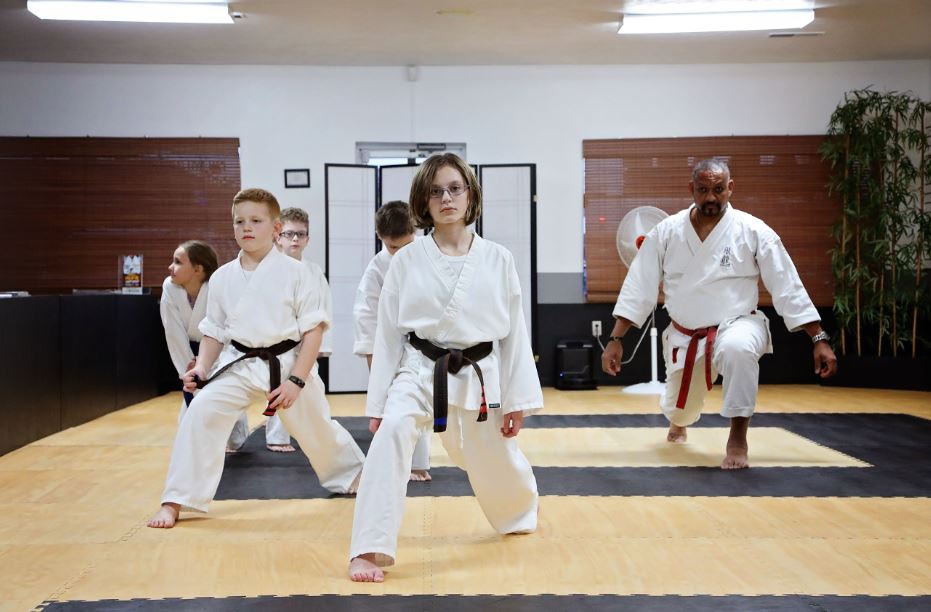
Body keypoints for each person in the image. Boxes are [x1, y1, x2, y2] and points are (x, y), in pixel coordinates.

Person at [348, 154, 541, 582]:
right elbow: (387, 336)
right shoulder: (406, 260)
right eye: (435, 191)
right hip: (419, 370)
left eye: (455, 188)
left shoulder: (498, 258)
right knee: (393, 434)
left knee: (495, 458)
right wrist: (378, 402)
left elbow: (515, 334)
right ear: (424, 201)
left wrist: (518, 400)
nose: (446, 198)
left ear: (470, 194)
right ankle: (369, 548)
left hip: (480, 373)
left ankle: (519, 510)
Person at [147, 188, 365, 529]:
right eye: (239, 221)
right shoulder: (222, 278)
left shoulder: (298, 273)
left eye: (256, 221)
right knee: (200, 412)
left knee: (315, 426)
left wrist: (297, 381)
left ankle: (353, 474)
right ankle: (177, 499)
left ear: (276, 228)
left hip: (288, 362)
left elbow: (313, 331)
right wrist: (202, 367)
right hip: (240, 362)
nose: (246, 227)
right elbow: (214, 331)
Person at [601, 158, 837, 469]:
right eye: (703, 190)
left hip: (739, 323)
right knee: (678, 408)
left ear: (730, 188)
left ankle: (738, 437)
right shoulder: (667, 231)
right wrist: (617, 338)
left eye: (718, 189)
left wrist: (818, 338)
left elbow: (786, 284)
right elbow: (639, 286)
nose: (711, 197)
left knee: (738, 349)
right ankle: (679, 420)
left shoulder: (753, 230)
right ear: (691, 189)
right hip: (686, 334)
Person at [352, 201, 432, 482]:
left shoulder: (431, 252)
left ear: (416, 231)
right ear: (379, 236)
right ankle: (413, 464)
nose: (399, 254)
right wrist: (379, 375)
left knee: (430, 405)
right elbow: (367, 323)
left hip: (434, 342)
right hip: (392, 345)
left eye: (405, 246)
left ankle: (420, 462)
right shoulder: (376, 272)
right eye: (393, 248)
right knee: (398, 404)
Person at [159, 240, 250, 451]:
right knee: (189, 417)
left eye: (178, 262)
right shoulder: (169, 288)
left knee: (228, 406)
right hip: (192, 355)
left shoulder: (219, 287)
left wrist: (207, 363)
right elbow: (173, 332)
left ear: (198, 269)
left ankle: (238, 433)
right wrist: (190, 373)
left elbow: (226, 331)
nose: (170, 267)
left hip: (225, 349)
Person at [266, 207, 334, 453]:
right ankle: (277, 437)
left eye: (301, 234)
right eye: (289, 233)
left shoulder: (314, 271)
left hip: (307, 342)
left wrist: (322, 348)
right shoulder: (268, 269)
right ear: (278, 236)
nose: (295, 239)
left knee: (313, 391)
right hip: (276, 343)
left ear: (308, 239)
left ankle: (320, 438)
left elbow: (324, 309)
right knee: (277, 386)